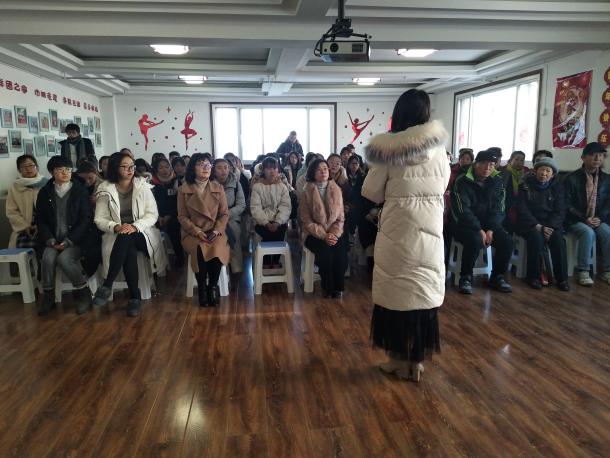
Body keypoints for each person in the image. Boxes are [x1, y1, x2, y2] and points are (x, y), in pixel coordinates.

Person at [362, 89, 449, 382]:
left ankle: (398, 360)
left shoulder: (387, 150)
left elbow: (371, 192)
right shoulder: (440, 150)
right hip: (430, 232)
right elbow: (443, 184)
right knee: (421, 295)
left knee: (397, 297)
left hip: (398, 231)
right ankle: (417, 363)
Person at [92, 152, 168, 316]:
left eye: (132, 166)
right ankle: (134, 297)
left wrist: (135, 226)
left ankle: (107, 284)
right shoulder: (105, 188)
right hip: (117, 233)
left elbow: (152, 215)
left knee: (126, 238)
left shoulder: (142, 186)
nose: (130, 170)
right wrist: (115, 227)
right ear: (115, 168)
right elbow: (100, 218)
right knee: (128, 248)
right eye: (125, 167)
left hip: (143, 231)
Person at [451, 149, 514, 294]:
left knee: (507, 241)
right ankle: (465, 278)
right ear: (475, 164)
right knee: (475, 240)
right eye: (484, 163)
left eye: (491, 164)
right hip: (464, 224)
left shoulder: (497, 181)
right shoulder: (462, 180)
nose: (488, 167)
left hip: (489, 225)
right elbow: (462, 211)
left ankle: (497, 277)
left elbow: (500, 209)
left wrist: (491, 229)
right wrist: (479, 229)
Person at [36, 156, 93, 316]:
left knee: (64, 259)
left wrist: (69, 241)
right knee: (47, 258)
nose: (65, 173)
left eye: (68, 169)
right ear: (51, 172)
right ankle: (48, 297)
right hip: (53, 240)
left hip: (76, 241)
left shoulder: (79, 191)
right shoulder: (45, 192)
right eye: (60, 170)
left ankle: (84, 293)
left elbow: (86, 219)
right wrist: (50, 239)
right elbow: (40, 219)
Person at [178, 153, 230, 306]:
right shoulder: (183, 189)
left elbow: (224, 214)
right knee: (199, 249)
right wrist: (197, 231)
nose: (206, 168)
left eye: (208, 165)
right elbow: (182, 217)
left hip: (214, 231)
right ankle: (201, 288)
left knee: (217, 247)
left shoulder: (218, 188)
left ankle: (212, 287)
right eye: (201, 164)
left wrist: (217, 230)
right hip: (192, 232)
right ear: (193, 168)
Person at [516, 157, 569, 291]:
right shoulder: (525, 185)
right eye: (541, 169)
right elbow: (522, 209)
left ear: (553, 174)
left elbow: (560, 211)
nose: (544, 173)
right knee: (536, 238)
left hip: (551, 225)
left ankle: (562, 279)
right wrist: (537, 225)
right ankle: (533, 277)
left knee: (559, 240)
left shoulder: (558, 188)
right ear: (535, 171)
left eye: (548, 171)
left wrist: (549, 227)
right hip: (530, 224)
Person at [299, 158, 347, 298]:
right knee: (326, 255)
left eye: (325, 169)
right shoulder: (306, 191)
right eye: (319, 170)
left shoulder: (336, 189)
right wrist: (324, 235)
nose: (323, 172)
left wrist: (333, 234)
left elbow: (340, 218)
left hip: (334, 232)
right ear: (313, 173)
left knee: (341, 255)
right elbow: (306, 221)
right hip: (313, 234)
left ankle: (338, 287)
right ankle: (328, 288)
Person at [564, 142, 610, 285]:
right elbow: (566, 204)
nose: (597, 158)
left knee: (607, 232)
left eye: (601, 155)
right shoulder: (571, 178)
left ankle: (607, 271)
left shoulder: (607, 179)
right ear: (583, 158)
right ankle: (583, 271)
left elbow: (608, 203)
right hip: (574, 220)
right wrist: (584, 218)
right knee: (588, 232)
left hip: (597, 219)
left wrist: (599, 218)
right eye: (593, 155)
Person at [250, 156, 292, 268]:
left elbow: (286, 206)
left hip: (279, 221)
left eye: (274, 168)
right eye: (268, 168)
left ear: (278, 170)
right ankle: (267, 262)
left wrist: (278, 222)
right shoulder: (257, 187)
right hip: (262, 222)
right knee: (267, 233)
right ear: (263, 170)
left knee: (279, 232)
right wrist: (266, 223)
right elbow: (255, 208)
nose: (272, 171)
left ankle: (275, 261)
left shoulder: (282, 187)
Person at [6, 155, 48, 249]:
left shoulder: (46, 184)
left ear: (36, 167)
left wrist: (41, 225)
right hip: (25, 229)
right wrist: (24, 226)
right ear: (19, 170)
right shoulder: (15, 187)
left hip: (46, 227)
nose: (28, 169)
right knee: (25, 249)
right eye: (24, 166)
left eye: (31, 165)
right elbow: (11, 212)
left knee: (46, 248)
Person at [212, 158, 246, 274]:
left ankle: (236, 265)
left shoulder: (236, 183)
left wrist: (227, 215)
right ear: (214, 170)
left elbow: (241, 205)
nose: (223, 170)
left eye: (225, 167)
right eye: (219, 168)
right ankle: (221, 266)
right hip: (214, 219)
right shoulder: (209, 184)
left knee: (234, 230)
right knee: (215, 234)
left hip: (232, 217)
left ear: (229, 169)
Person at [151, 157, 184, 268]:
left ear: (171, 168)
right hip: (157, 215)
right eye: (161, 167)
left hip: (175, 214)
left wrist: (169, 215)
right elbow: (151, 203)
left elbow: (180, 203)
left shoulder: (177, 182)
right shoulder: (152, 184)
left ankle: (180, 258)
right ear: (156, 170)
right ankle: (158, 263)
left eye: (167, 166)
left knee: (174, 228)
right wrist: (159, 216)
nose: (164, 170)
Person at [501, 150, 530, 232]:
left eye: (522, 160)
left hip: (521, 205)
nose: (519, 162)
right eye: (516, 159)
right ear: (510, 160)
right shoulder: (503, 171)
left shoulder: (527, 173)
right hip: (506, 205)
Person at [345, 154, 366, 235]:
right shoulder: (345, 176)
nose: (354, 166)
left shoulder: (363, 176)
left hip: (359, 203)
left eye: (356, 163)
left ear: (359, 165)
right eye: (352, 163)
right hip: (348, 203)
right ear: (348, 164)